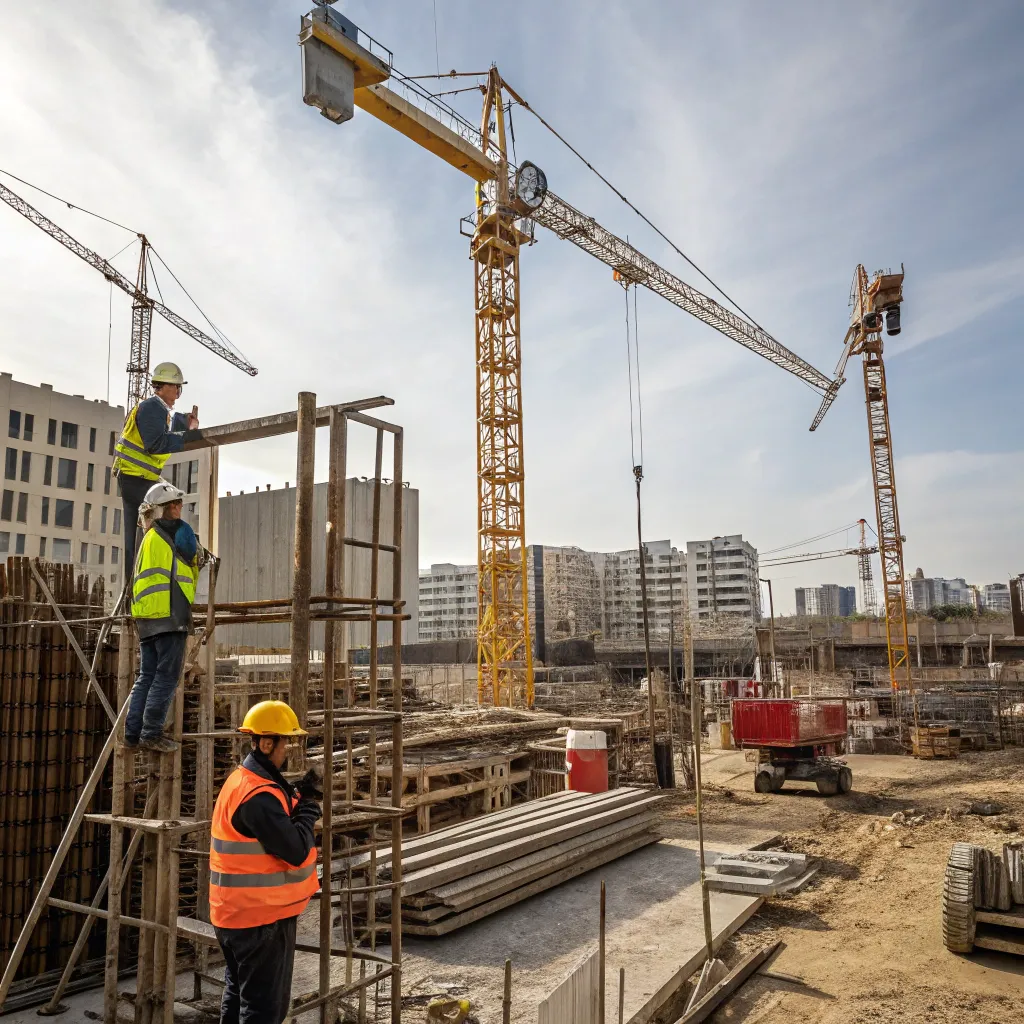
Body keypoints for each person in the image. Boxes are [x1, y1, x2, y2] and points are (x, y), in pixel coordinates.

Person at [210, 701, 321, 1024]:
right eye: (285, 742)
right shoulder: (257, 796)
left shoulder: (242, 780)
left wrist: (295, 796)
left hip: (234, 915)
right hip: (259, 919)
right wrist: (309, 808)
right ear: (267, 743)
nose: (288, 749)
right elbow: (296, 849)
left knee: (238, 995)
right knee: (263, 1011)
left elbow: (272, 821)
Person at [124, 481, 204, 753]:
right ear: (164, 509)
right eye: (175, 504)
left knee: (146, 676)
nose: (179, 508)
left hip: (146, 617)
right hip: (170, 615)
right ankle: (151, 733)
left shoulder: (148, 537)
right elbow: (192, 553)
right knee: (166, 677)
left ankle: (132, 734)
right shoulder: (178, 530)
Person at [112, 362, 199, 586]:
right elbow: (156, 444)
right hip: (136, 478)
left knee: (137, 538)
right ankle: (153, 576)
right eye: (176, 387)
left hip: (137, 478)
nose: (178, 393)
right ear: (164, 386)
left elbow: (162, 436)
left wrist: (183, 423)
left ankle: (134, 583)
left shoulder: (157, 411)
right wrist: (188, 436)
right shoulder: (152, 407)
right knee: (167, 512)